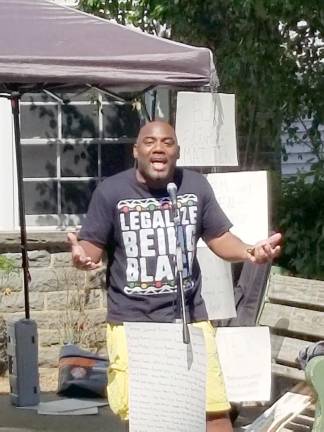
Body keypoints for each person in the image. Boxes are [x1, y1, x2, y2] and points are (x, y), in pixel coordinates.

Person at [68, 120, 281, 432]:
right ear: (136, 150)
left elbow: (219, 238)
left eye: (167, 142)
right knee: (147, 417)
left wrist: (249, 252)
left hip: (189, 318)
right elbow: (92, 246)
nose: (158, 148)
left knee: (216, 413)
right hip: (132, 322)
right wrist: (82, 257)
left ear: (177, 152)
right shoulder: (111, 192)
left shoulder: (194, 187)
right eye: (150, 142)